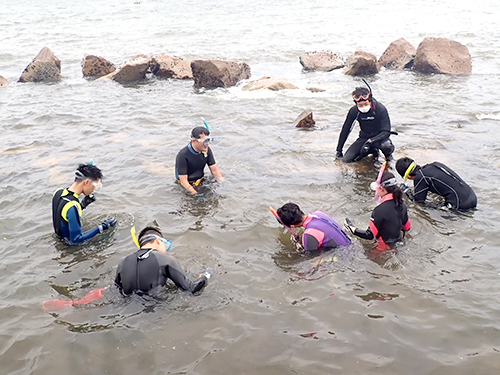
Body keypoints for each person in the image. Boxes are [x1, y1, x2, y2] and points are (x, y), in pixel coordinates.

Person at [115, 226, 211, 295]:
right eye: (165, 244)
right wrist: (205, 275)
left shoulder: (123, 262)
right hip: (155, 310)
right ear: (158, 241)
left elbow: (117, 289)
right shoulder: (165, 259)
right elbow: (191, 289)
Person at [344, 172, 410, 250]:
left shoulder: (379, 210)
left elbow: (370, 235)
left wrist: (352, 229)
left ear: (381, 189)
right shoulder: (402, 206)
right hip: (398, 246)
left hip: (382, 249)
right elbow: (406, 228)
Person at [52, 163, 116, 244]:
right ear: (86, 182)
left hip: (58, 240)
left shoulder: (58, 192)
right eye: (95, 186)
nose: (93, 190)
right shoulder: (72, 206)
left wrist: (82, 205)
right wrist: (101, 227)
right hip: (68, 246)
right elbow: (75, 239)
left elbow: (63, 215)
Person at [336, 86, 395, 163]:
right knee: (347, 160)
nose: (363, 107)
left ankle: (388, 156)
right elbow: (345, 130)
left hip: (379, 138)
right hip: (364, 137)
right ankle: (372, 151)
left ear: (370, 101)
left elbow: (386, 131)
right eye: (360, 105)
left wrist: (370, 141)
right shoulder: (354, 111)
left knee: (386, 146)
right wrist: (339, 150)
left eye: (365, 104)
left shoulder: (380, 109)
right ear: (356, 103)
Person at [396, 157, 477, 211]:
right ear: (416, 164)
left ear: (409, 176)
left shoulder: (420, 177)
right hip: (472, 196)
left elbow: (419, 202)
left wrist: (407, 192)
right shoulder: (434, 165)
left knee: (431, 210)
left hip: (462, 205)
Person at [276, 203, 351, 252]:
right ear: (300, 209)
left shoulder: (309, 234)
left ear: (293, 226)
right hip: (350, 245)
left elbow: (311, 257)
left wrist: (297, 245)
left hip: (343, 256)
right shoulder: (318, 213)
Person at [175, 126, 224, 195]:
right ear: (194, 141)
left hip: (201, 181)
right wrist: (196, 195)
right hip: (187, 185)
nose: (207, 144)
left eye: (209, 140)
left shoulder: (207, 150)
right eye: (205, 141)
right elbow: (183, 182)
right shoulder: (183, 155)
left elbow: (214, 170)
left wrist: (223, 184)